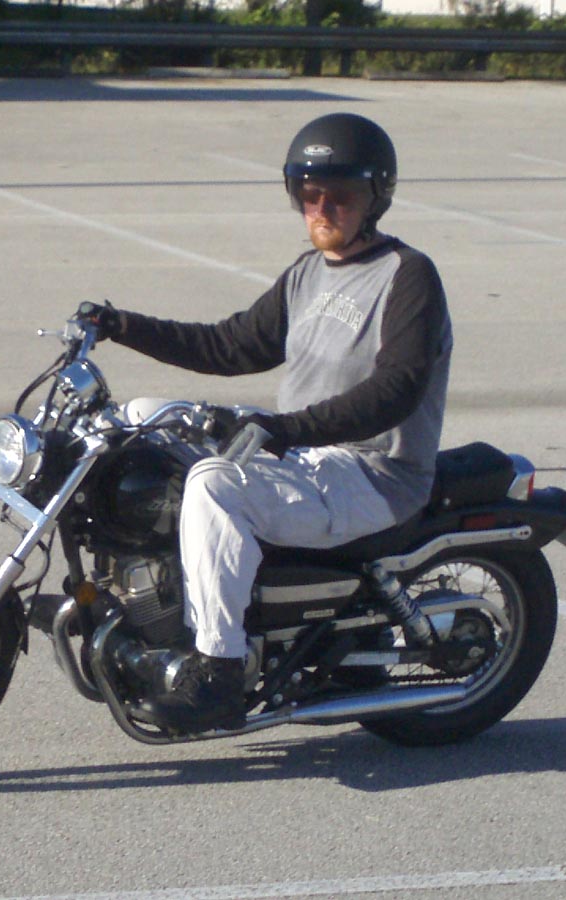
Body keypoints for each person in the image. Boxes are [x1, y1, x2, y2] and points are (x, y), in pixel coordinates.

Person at [78, 112, 453, 733]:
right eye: (310, 193)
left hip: (372, 472)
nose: (322, 208)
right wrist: (122, 326)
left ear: (376, 197)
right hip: (306, 451)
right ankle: (144, 599)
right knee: (140, 419)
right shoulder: (308, 273)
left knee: (213, 486)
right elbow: (231, 345)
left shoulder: (407, 276)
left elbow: (397, 391)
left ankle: (219, 672)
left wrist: (286, 431)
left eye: (341, 194)